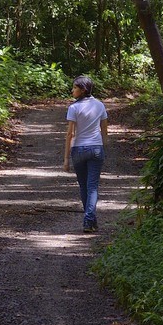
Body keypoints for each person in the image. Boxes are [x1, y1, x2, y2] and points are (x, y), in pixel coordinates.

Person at [62, 74, 108, 233]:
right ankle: (90, 220)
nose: (72, 90)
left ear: (83, 90)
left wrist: (66, 158)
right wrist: (103, 148)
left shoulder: (74, 108)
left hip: (79, 150)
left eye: (75, 87)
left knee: (84, 186)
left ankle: (89, 220)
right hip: (96, 148)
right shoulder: (100, 105)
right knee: (92, 186)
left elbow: (70, 134)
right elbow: (104, 130)